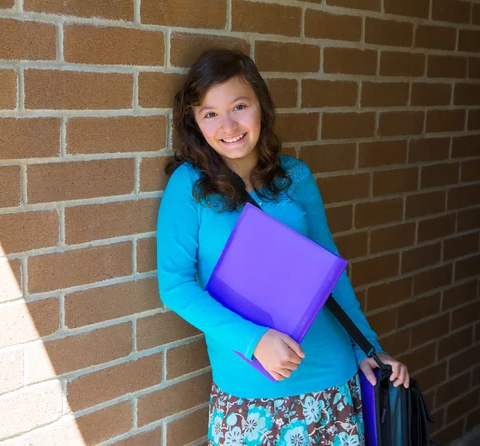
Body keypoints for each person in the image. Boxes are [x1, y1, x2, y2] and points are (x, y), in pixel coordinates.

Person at [156, 49, 409, 446]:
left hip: (331, 376)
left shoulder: (296, 177)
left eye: (240, 106)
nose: (228, 125)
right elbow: (175, 286)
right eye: (210, 114)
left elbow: (332, 277)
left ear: (261, 104)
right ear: (195, 121)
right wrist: (253, 341)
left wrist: (369, 348)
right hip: (251, 391)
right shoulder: (189, 187)